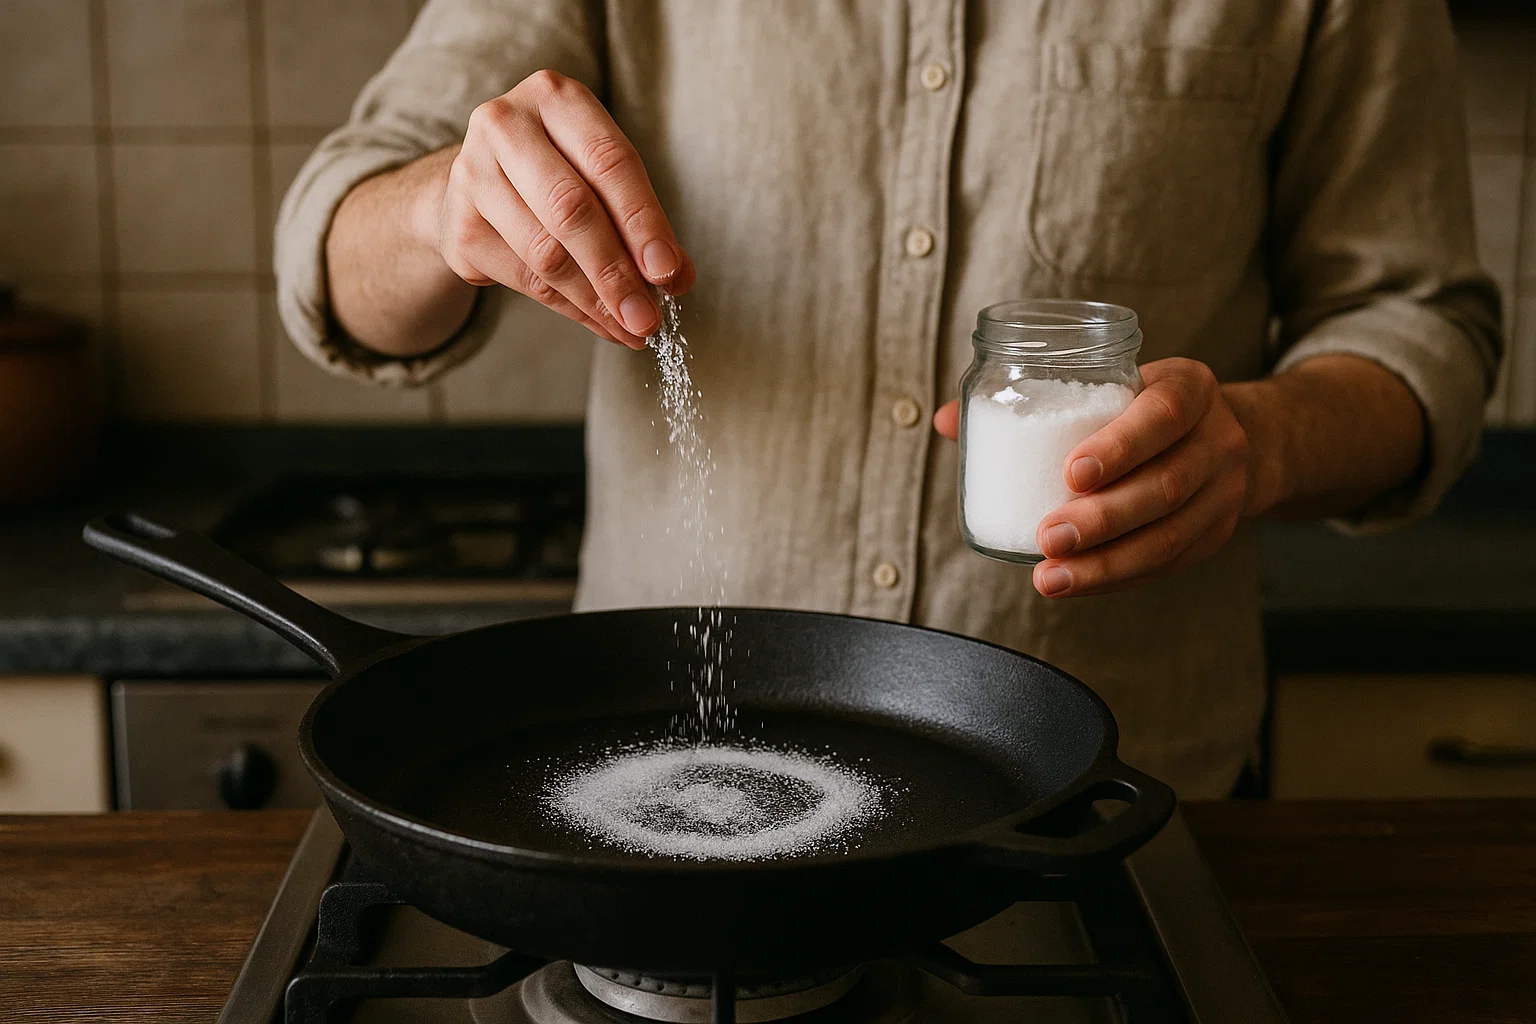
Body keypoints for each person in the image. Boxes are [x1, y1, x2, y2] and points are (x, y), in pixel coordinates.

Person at [275, 0, 1501, 798]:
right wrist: (442, 206)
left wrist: (1266, 442)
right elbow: (337, 252)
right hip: (674, 778)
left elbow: (1422, 322)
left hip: (1114, 796)